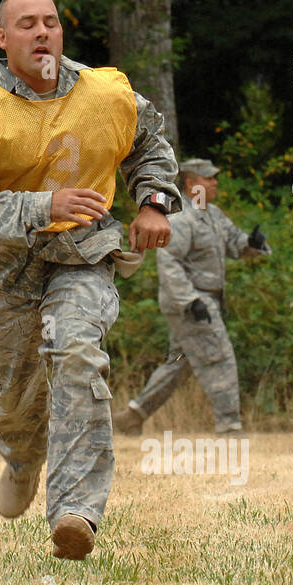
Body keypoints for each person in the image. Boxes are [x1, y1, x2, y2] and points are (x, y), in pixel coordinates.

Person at [0, 0, 179, 560]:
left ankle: (76, 511)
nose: (42, 32)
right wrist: (42, 207)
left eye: (50, 22)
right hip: (2, 270)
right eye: (27, 24)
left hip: (84, 256)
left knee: (76, 356)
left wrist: (154, 202)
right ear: (3, 38)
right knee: (17, 402)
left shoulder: (108, 94)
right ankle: (22, 456)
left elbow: (150, 146)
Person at [117, 158, 271, 436]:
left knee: (179, 364)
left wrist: (252, 244)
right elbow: (169, 263)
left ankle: (132, 417)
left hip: (203, 301)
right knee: (219, 356)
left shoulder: (213, 214)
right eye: (208, 178)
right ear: (191, 184)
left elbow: (235, 243)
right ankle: (229, 427)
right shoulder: (182, 217)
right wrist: (190, 301)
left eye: (215, 178)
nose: (215, 183)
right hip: (191, 303)